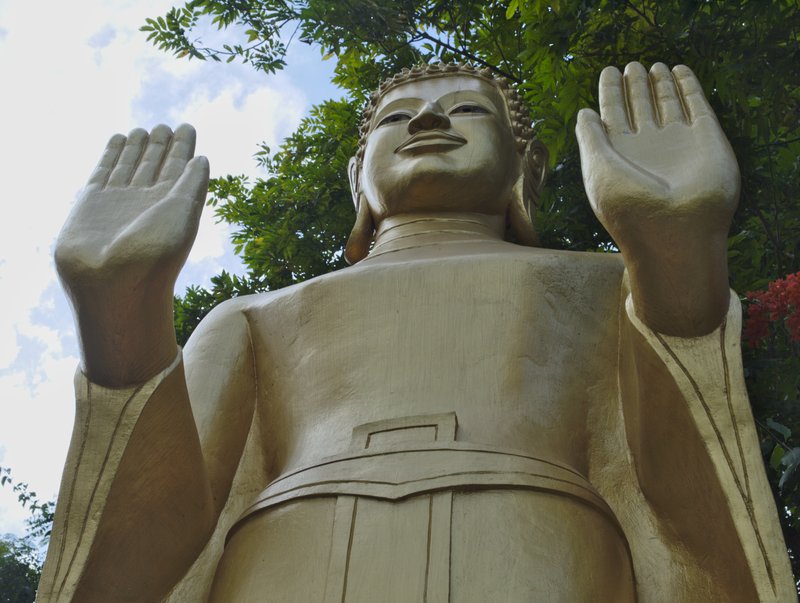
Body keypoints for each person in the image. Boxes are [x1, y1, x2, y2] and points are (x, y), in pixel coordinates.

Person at [37, 62, 794, 602]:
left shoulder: (603, 283)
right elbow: (154, 543)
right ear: (356, 176)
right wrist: (123, 317)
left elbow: (674, 488)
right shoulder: (255, 315)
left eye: (467, 110)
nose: (428, 120)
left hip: (538, 563)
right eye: (397, 118)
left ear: (525, 165)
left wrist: (677, 261)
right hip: (280, 568)